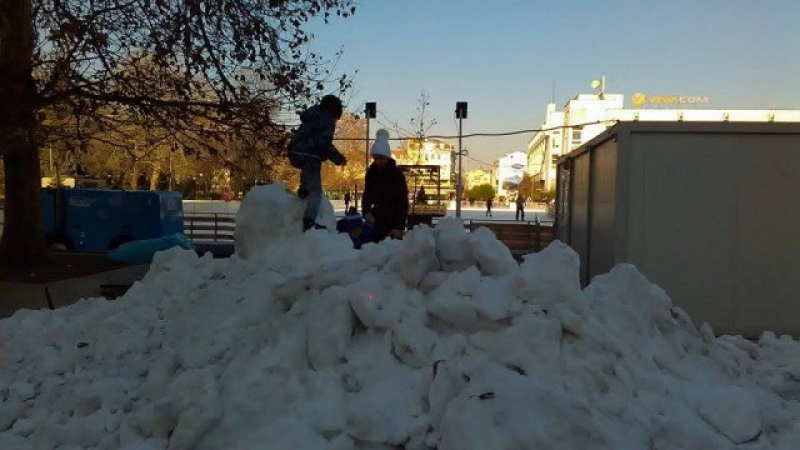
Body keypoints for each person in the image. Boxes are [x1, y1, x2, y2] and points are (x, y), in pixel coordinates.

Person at [287, 94, 347, 231]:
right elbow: (324, 144)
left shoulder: (313, 115)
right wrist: (338, 159)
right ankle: (309, 221)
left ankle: (303, 189)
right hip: (310, 154)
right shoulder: (327, 120)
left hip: (295, 150)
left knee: (307, 167)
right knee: (316, 192)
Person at [362, 129, 409, 241]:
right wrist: (366, 212)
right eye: (376, 158)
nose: (378, 161)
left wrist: (398, 227)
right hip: (376, 220)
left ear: (387, 157)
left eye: (381, 158)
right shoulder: (371, 173)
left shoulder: (397, 174)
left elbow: (403, 202)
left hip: (393, 222)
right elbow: (367, 195)